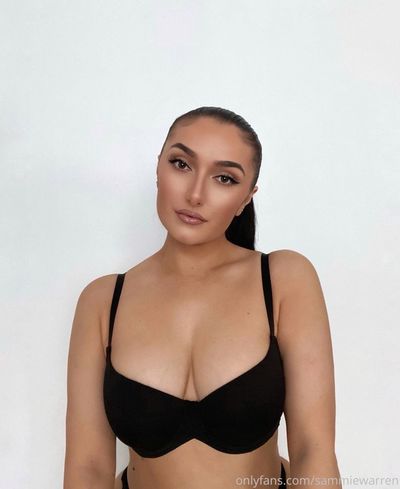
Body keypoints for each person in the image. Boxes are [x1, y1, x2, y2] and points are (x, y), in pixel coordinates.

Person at [63, 107, 341, 489]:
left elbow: (313, 450)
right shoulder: (102, 301)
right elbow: (88, 468)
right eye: (181, 164)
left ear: (246, 198)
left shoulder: (283, 280)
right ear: (158, 167)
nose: (195, 194)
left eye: (224, 178)